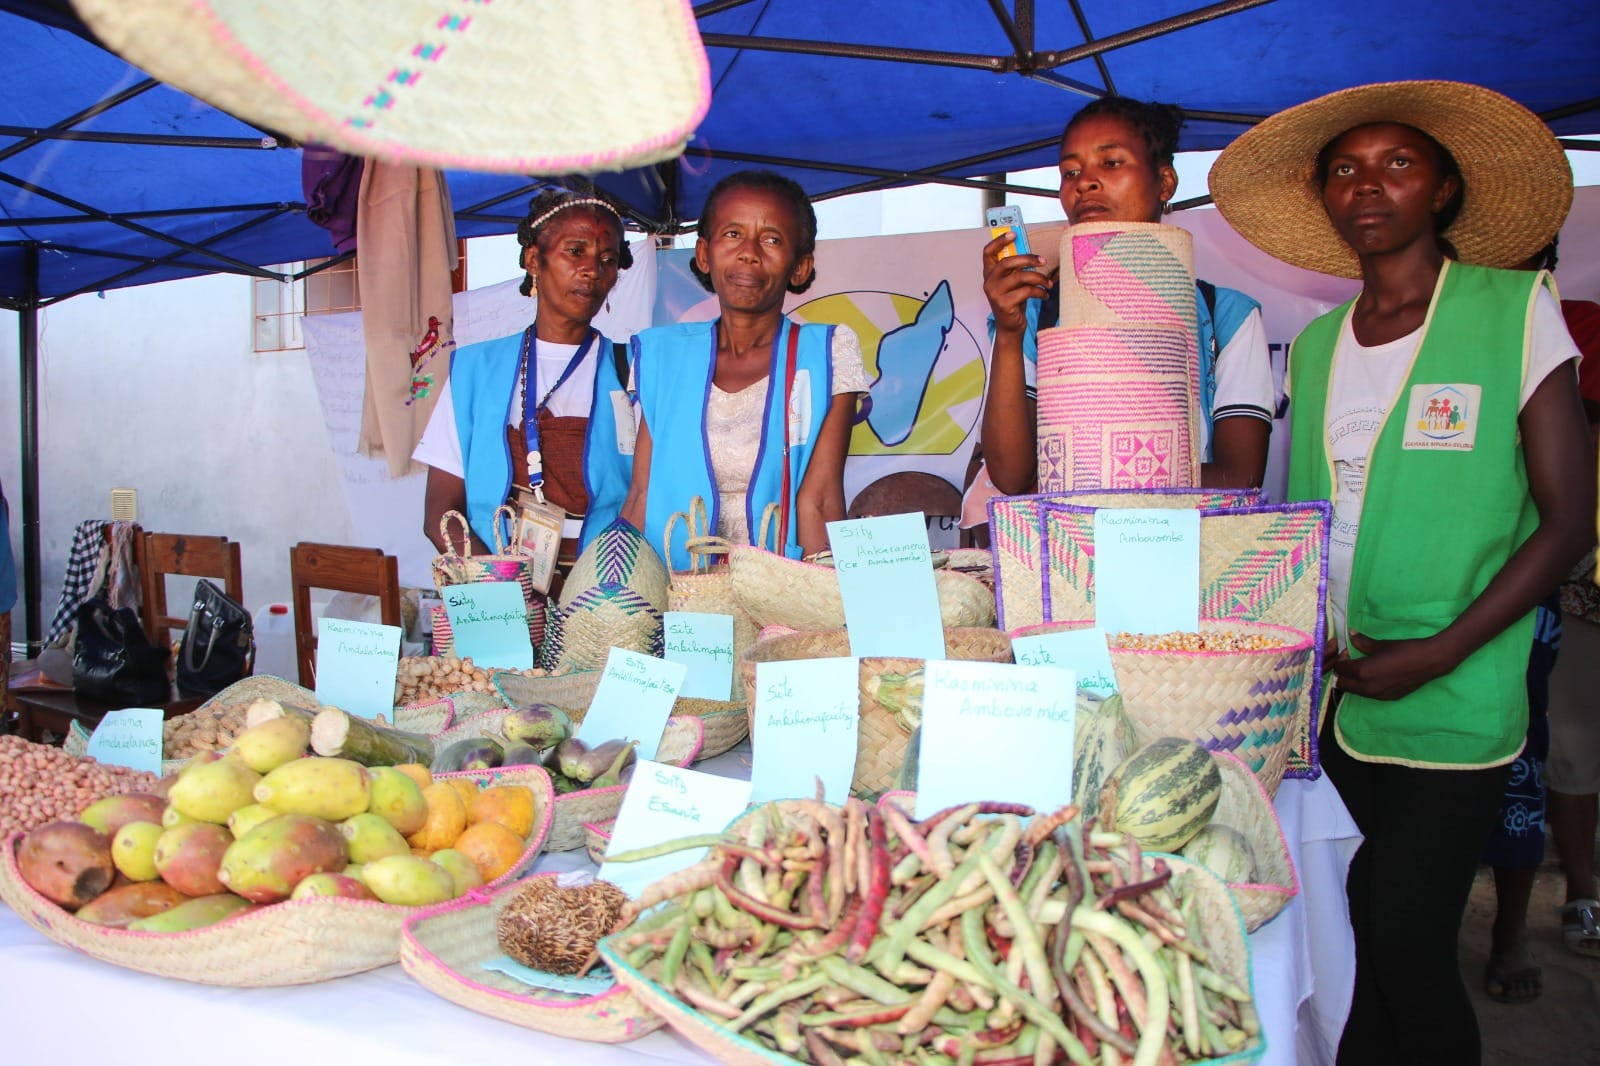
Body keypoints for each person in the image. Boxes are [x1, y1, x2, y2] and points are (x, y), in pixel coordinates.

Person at [1209, 81, 1594, 1064]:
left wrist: (1441, 650)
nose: (1366, 186)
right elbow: (1311, 522)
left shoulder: (1514, 310)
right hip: (1341, 690)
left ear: (1444, 188)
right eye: (1344, 169)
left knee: (1407, 940)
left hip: (1454, 689)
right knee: (1346, 932)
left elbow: (1565, 524)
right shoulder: (1327, 339)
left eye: (1396, 164)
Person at [979, 97, 1275, 497]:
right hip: (1074, 551)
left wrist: (1082, 481)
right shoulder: (1031, 313)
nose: (1085, 182)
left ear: (1165, 183)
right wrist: (1010, 337)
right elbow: (1012, 478)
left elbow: (1239, 478)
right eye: (1070, 171)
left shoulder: (1228, 317)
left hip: (1183, 549)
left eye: (1112, 162)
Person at [621, 170, 868, 570]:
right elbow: (641, 492)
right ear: (704, 253)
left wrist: (818, 606)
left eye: (772, 239)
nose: (749, 252)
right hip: (680, 588)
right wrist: (622, 591)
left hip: (779, 585)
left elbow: (819, 498)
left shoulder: (826, 351)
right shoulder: (660, 354)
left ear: (799, 267)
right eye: (732, 234)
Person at [413, 191, 636, 573]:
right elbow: (440, 512)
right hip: (497, 589)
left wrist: (604, 596)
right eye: (575, 252)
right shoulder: (474, 371)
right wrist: (502, 593)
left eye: (607, 260)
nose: (592, 271)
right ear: (535, 259)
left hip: (605, 594)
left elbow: (648, 498)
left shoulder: (632, 370)